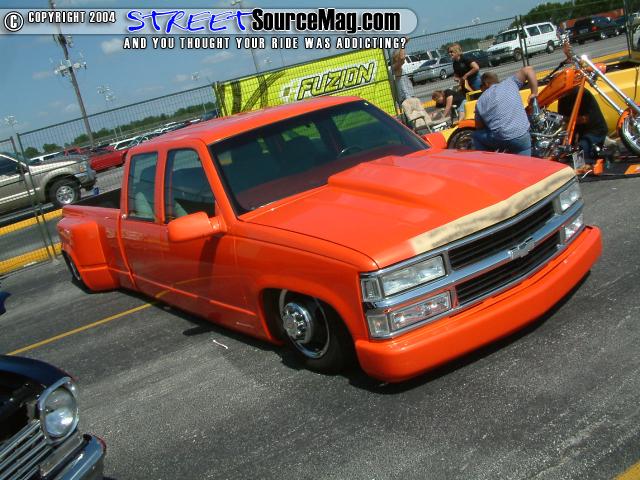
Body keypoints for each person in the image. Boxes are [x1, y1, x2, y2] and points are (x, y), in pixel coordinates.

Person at [472, 66, 539, 156]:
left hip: (500, 139)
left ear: (486, 84)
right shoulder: (510, 83)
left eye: (481, 86)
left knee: (476, 136)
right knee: (524, 158)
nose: (480, 89)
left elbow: (479, 126)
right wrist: (534, 93)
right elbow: (528, 69)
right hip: (521, 137)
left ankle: (487, 161)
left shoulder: (480, 101)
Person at [558, 87, 608, 162]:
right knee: (560, 150)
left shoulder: (583, 94)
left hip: (595, 131)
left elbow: (585, 119)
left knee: (580, 151)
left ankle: (588, 165)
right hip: (580, 132)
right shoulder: (562, 98)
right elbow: (562, 118)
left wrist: (567, 122)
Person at [391, 37, 416, 104]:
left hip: (407, 97)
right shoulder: (395, 67)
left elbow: (401, 57)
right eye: (404, 54)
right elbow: (402, 58)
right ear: (397, 58)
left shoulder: (395, 67)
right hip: (406, 98)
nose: (404, 56)